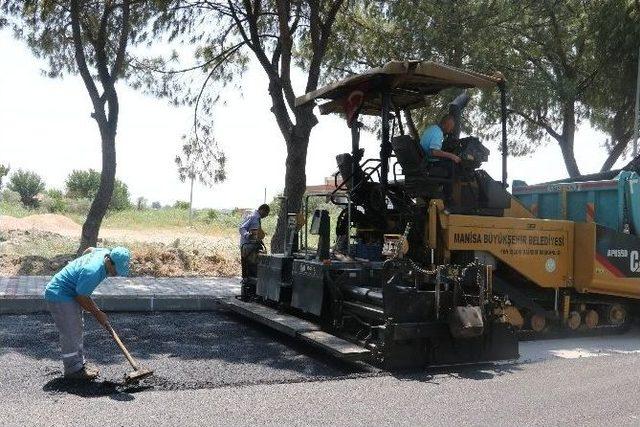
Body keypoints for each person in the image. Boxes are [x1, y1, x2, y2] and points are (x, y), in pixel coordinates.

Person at [44, 246, 131, 380]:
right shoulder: (92, 271)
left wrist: (78, 267)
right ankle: (73, 370)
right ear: (109, 261)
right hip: (60, 294)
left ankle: (79, 364)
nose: (117, 274)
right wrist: (97, 313)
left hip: (71, 292)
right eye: (116, 270)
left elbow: (90, 249)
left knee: (76, 327)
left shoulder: (104, 253)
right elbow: (82, 297)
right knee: (71, 331)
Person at [238, 204, 270, 296]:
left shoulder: (257, 218)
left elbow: (255, 231)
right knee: (249, 269)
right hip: (248, 246)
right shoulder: (253, 217)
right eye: (266, 213)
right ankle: (248, 290)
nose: (266, 215)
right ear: (262, 210)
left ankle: (252, 291)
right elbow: (242, 228)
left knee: (253, 268)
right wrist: (248, 235)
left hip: (253, 246)